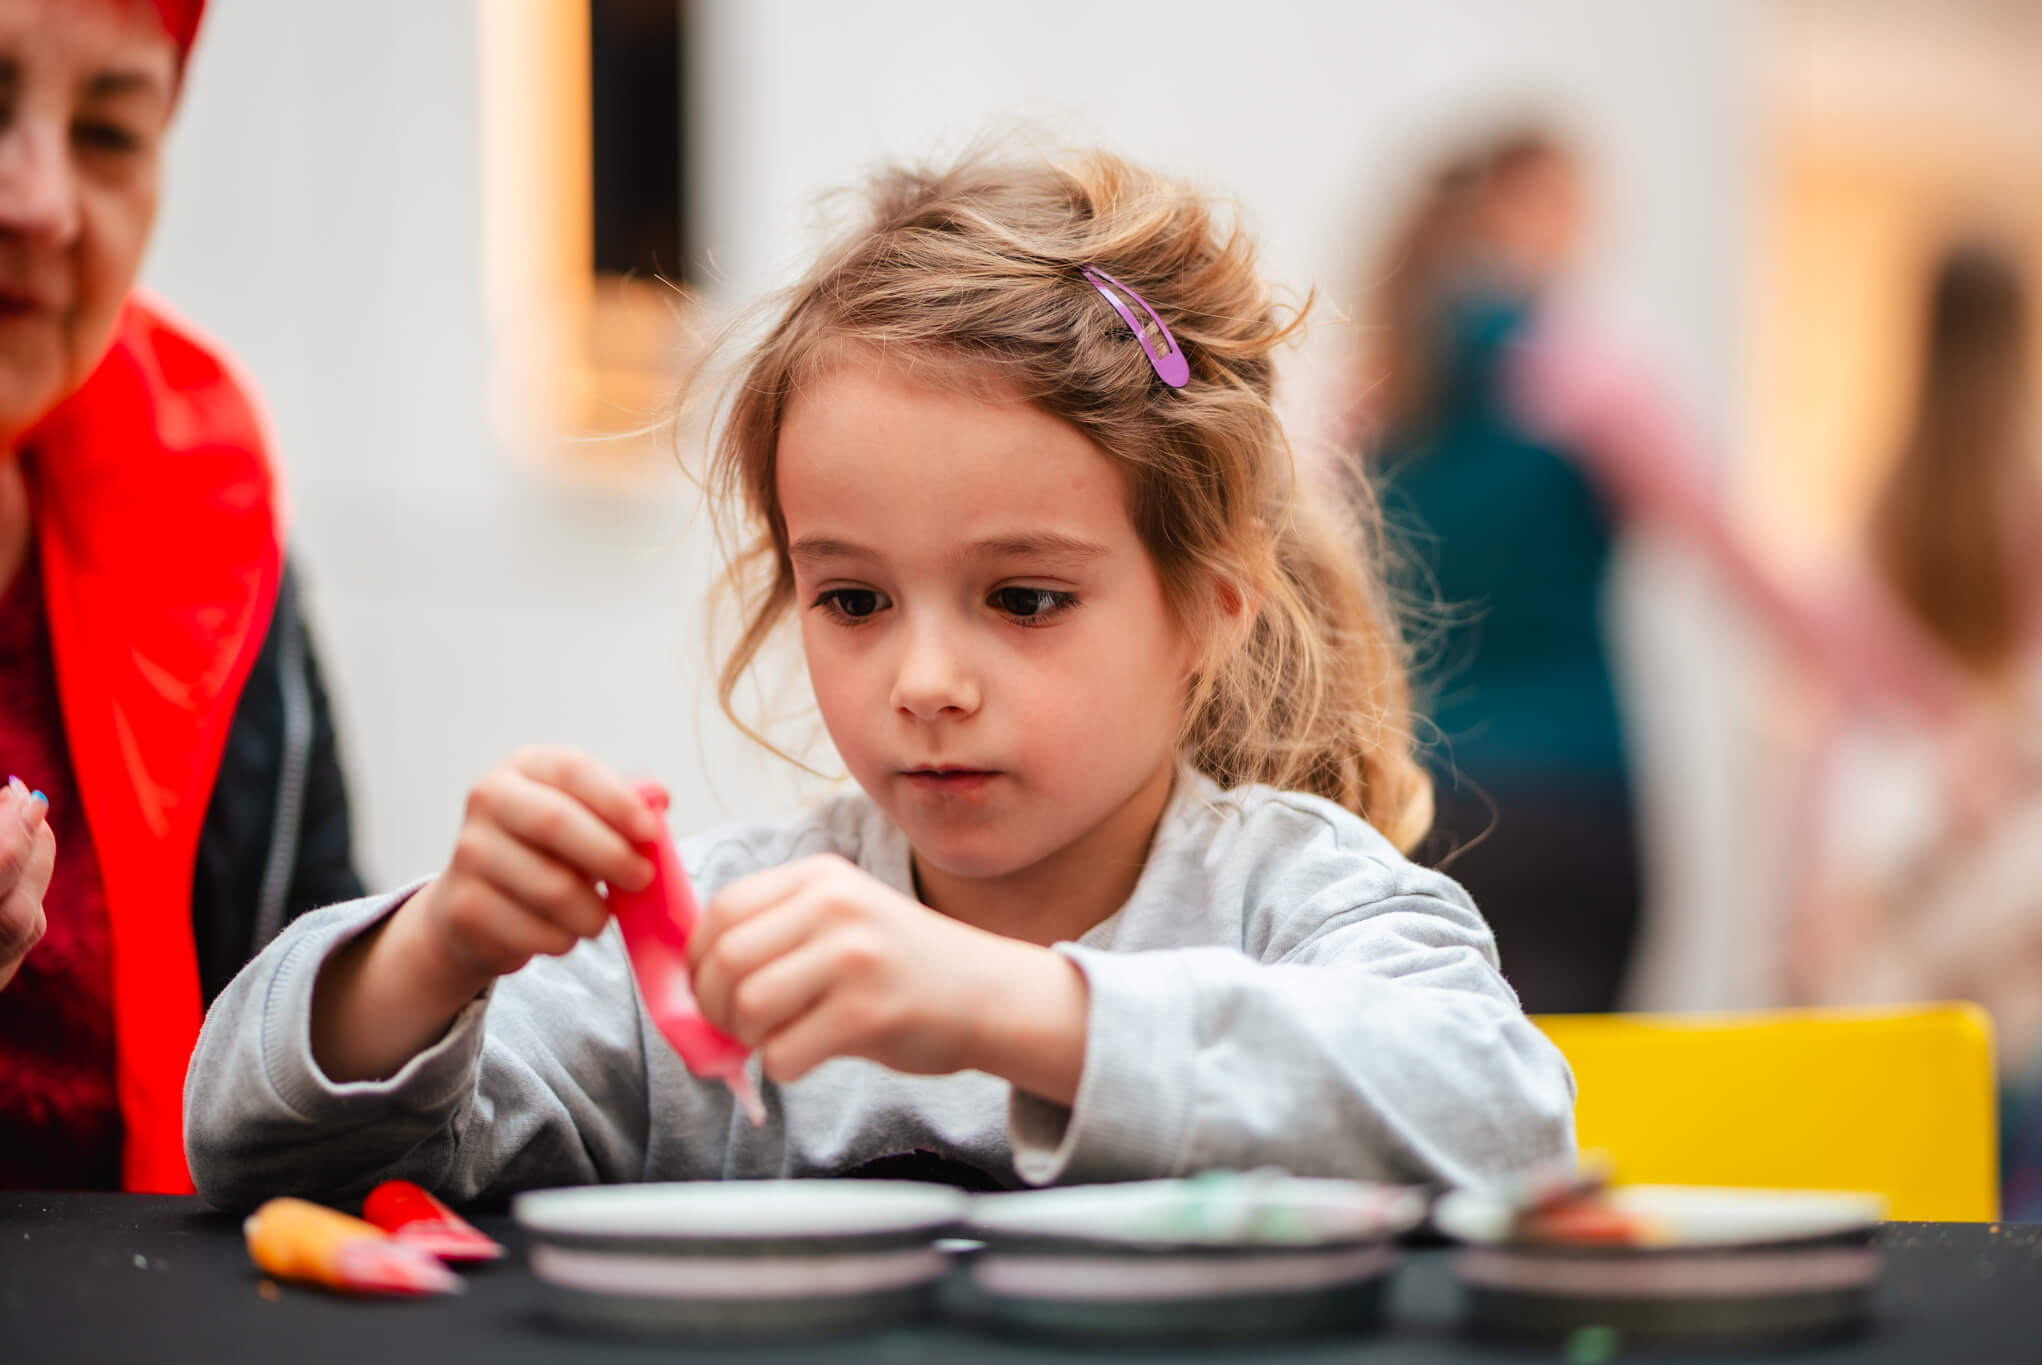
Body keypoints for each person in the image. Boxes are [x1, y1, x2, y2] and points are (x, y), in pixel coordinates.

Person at [182, 147, 1576, 1208]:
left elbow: (1506, 1119)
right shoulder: (727, 941)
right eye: (852, 599)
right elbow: (253, 1149)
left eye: (1023, 599)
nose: (924, 680)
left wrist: (1006, 1006)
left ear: (1210, 606)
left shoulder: (1297, 899)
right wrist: (435, 951)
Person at [1355, 126, 1958, 1013]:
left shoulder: (1373, 389)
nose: (1582, 235)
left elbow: (1316, 593)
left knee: (1433, 1072)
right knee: (1581, 1080)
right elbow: (1750, 568)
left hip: (1425, 809)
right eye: (1565, 207)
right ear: (1505, 210)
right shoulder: (1587, 377)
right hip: (1577, 806)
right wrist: (1935, 697)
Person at [0, 0, 361, 1193]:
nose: (40, 204)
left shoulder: (200, 519)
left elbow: (310, 1044)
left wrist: (438, 967)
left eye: (109, 134)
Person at [1777, 242, 2042, 1217]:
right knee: (2008, 1108)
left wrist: (1809, 888)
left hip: (1895, 823)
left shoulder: (1889, 498)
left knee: (1908, 1130)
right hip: (2007, 834)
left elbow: (1840, 706)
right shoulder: (2028, 495)